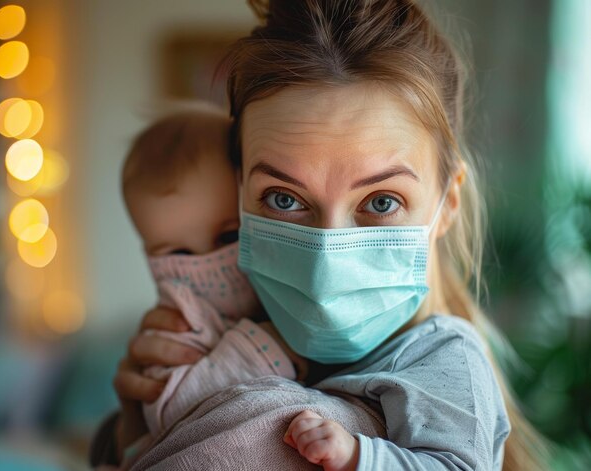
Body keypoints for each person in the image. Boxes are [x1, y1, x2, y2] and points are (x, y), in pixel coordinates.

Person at [95, 1, 550, 470]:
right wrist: (135, 424)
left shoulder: (445, 366)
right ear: (238, 197)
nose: (325, 255)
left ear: (447, 203)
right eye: (284, 198)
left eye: (381, 202)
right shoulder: (220, 337)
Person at [108, 101, 304, 467]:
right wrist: (262, 350)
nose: (205, 262)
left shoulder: (298, 290)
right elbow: (170, 410)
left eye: (228, 237)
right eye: (179, 252)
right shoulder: (179, 318)